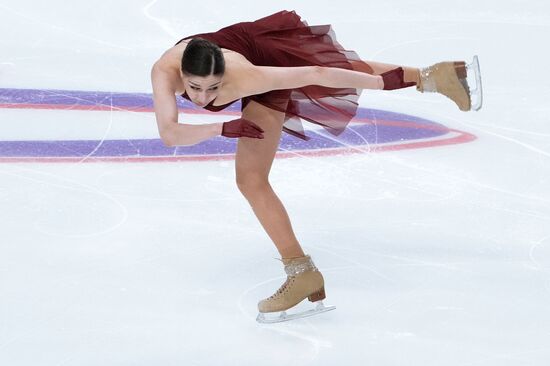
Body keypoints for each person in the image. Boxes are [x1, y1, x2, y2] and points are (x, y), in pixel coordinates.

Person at [151, 10, 481, 322]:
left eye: (214, 87)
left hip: (261, 57)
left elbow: (316, 74)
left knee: (251, 179)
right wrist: (221, 127)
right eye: (195, 87)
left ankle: (302, 274)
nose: (204, 98)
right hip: (242, 47)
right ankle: (438, 76)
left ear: (223, 74)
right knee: (338, 65)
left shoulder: (245, 78)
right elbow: (169, 134)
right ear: (182, 74)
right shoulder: (163, 71)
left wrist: (383, 85)